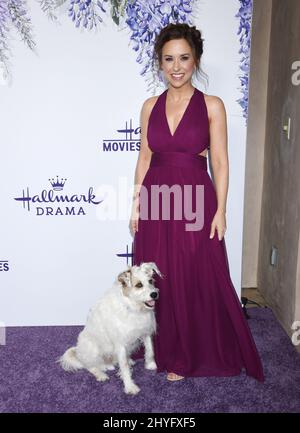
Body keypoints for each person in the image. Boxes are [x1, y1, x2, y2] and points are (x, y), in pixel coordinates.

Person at [129, 23, 264, 383]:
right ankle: (163, 346)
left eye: (184, 58)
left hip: (194, 199)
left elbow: (219, 161)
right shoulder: (149, 106)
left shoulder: (212, 105)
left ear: (196, 60)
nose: (176, 66)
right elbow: (144, 157)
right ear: (159, 62)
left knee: (193, 274)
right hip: (156, 198)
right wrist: (136, 204)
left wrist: (220, 210)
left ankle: (188, 355)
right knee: (161, 275)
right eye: (168, 59)